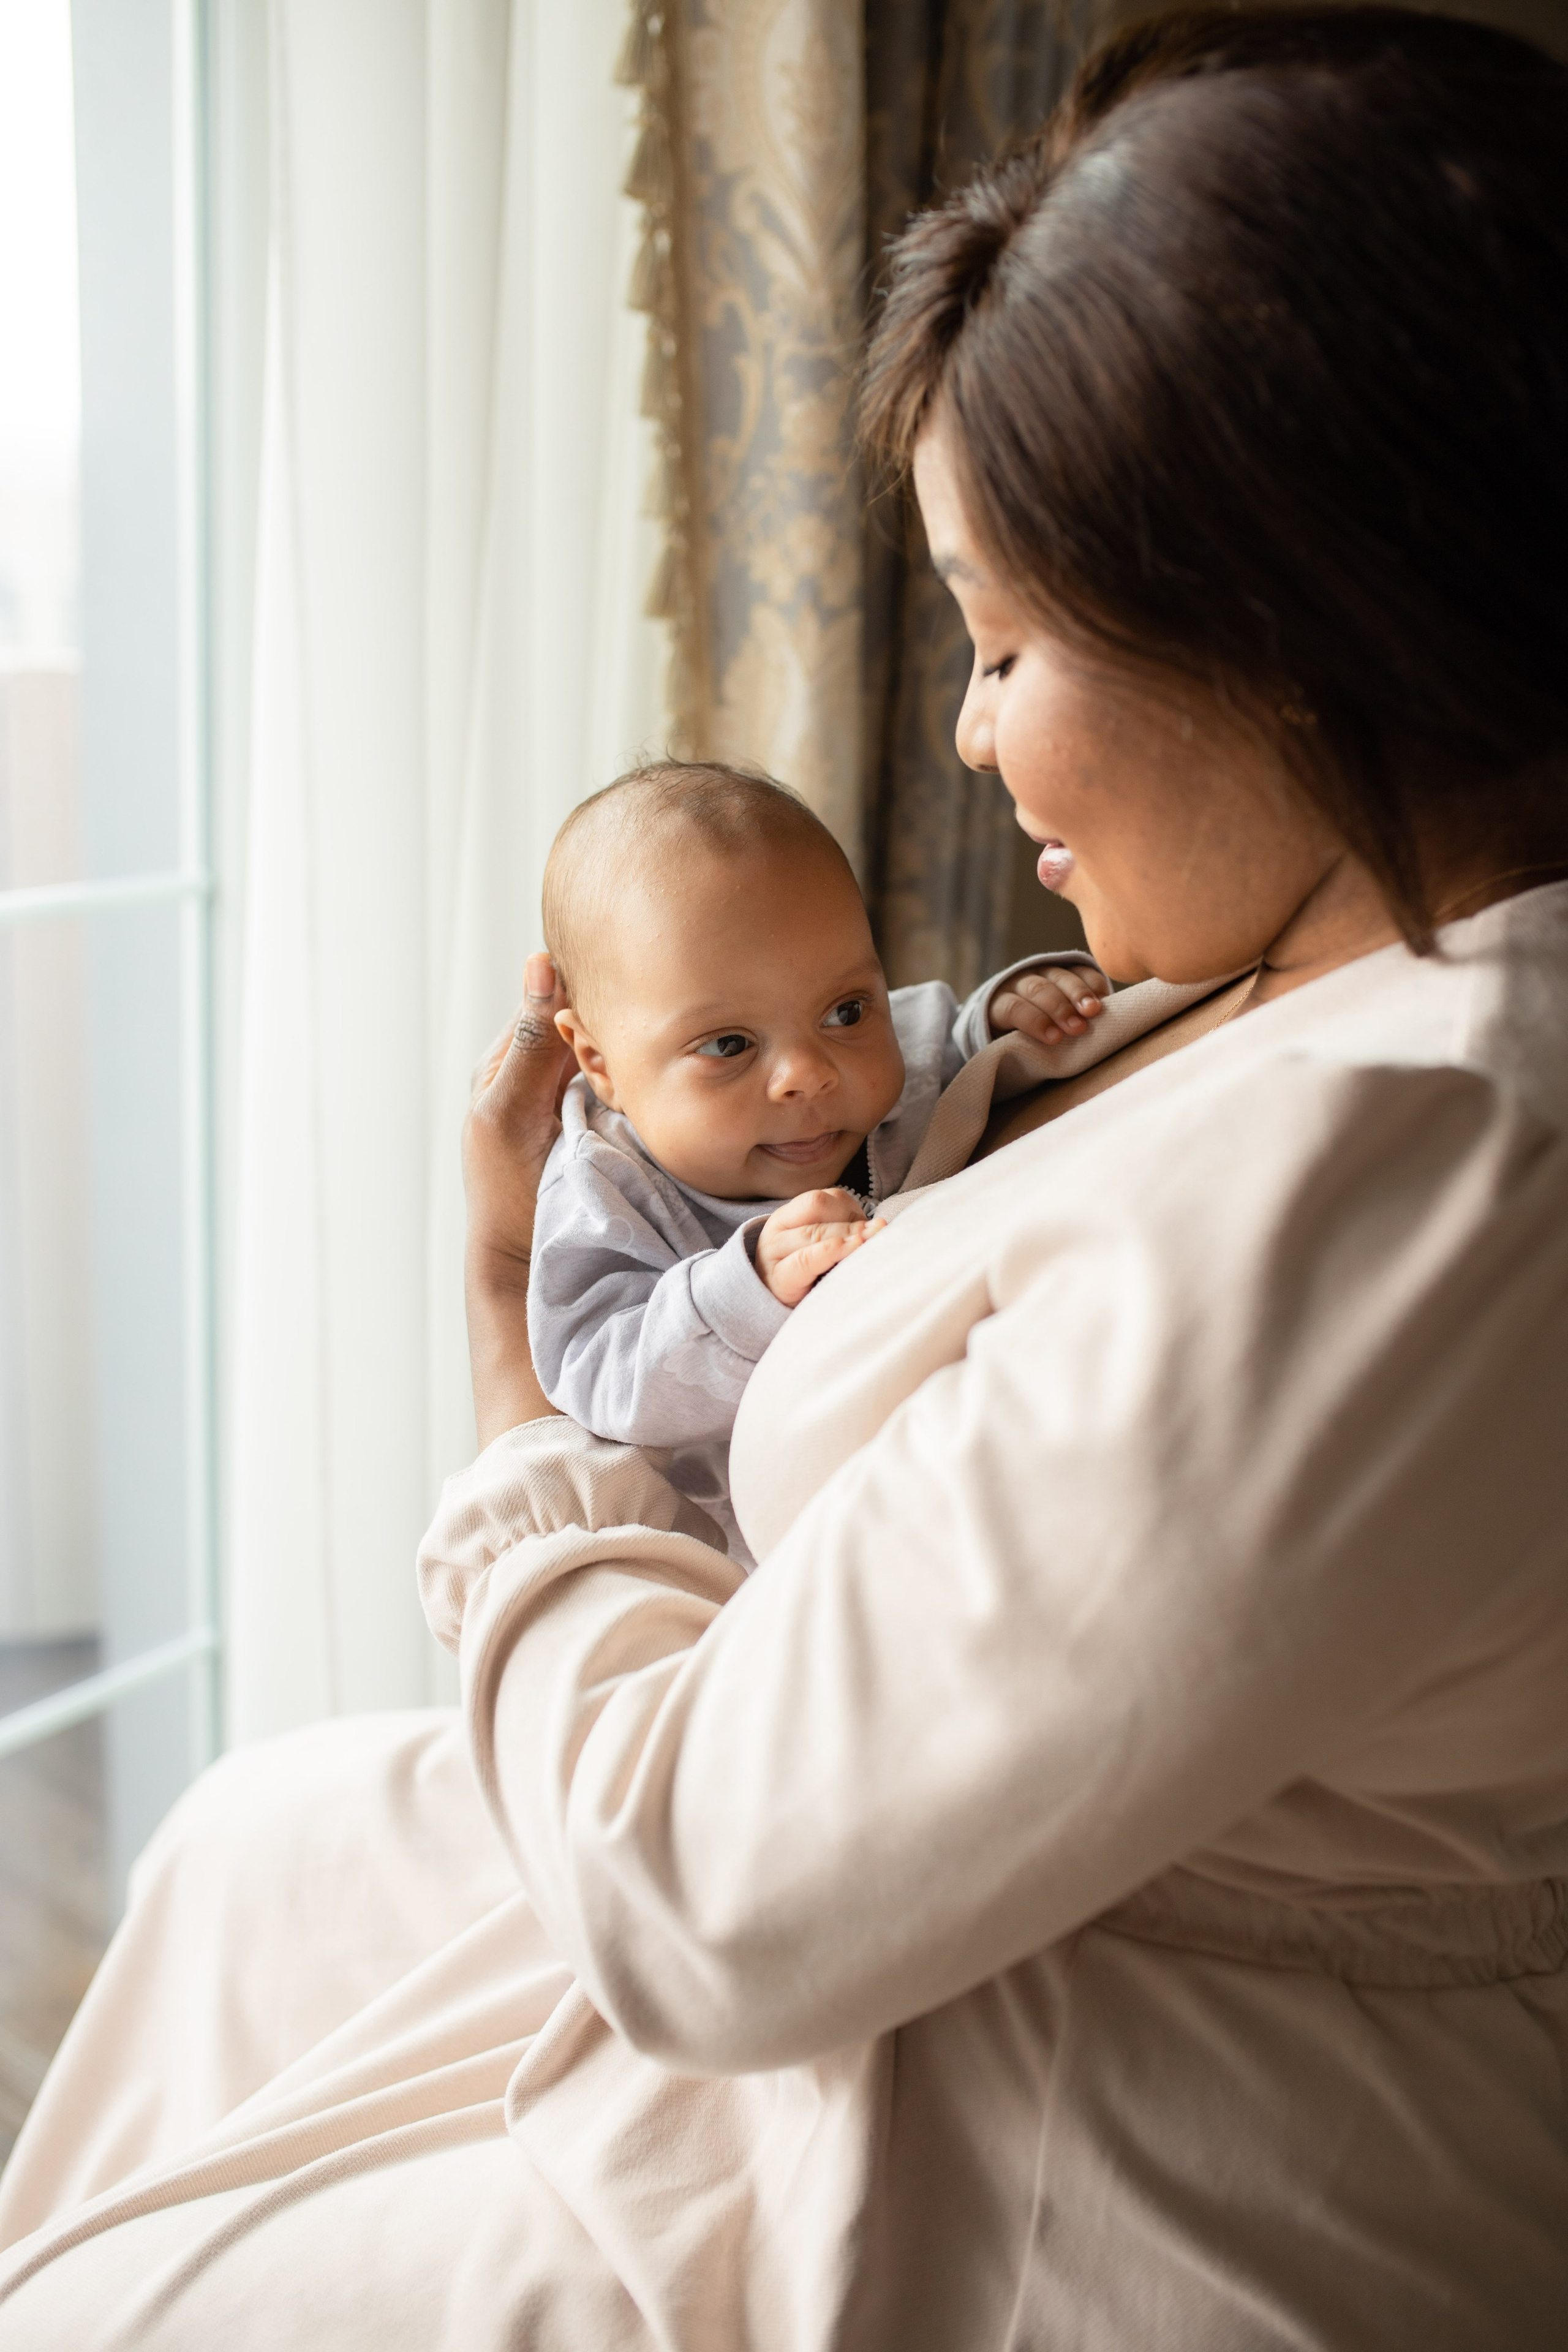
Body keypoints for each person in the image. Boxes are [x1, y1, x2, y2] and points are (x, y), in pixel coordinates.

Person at [2, 9, 1567, 2345]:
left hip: (1064, 2118)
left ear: (1290, 622)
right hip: (924, 1865)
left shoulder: (1423, 1154)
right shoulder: (1303, 983)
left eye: (1005, 640)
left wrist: (513, 1387)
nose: (969, 732)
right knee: (249, 1851)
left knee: (127, 2302)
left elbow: (703, 1906)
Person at [530, 756, 1110, 1561]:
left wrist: (1005, 1015)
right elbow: (593, 1367)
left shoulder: (903, 1044)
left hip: (957, 1482)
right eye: (729, 1045)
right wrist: (743, 1289)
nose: (808, 1072)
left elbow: (951, 1046)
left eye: (844, 1010)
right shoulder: (606, 1184)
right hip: (765, 1563)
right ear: (600, 1064)